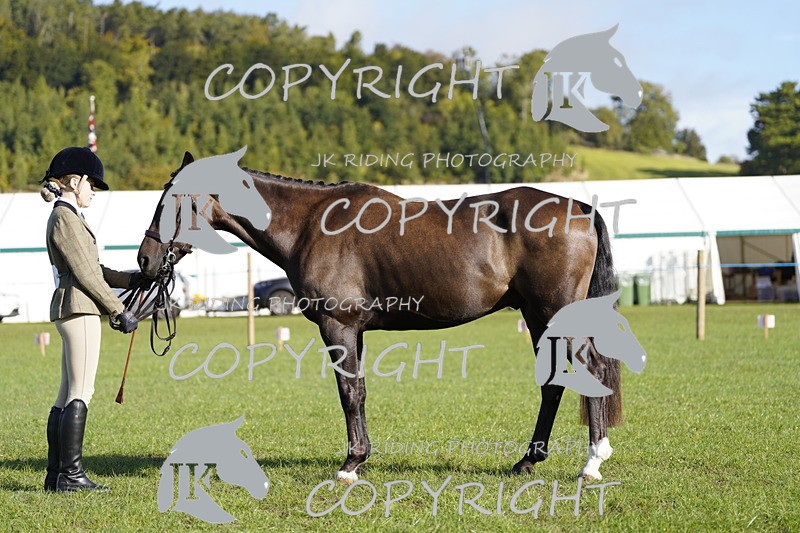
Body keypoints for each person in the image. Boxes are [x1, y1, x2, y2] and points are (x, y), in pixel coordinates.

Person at [40, 147, 146, 492]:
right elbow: (86, 274)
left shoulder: (68, 215)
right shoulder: (65, 218)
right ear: (74, 182)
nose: (94, 192)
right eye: (91, 185)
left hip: (75, 307)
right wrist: (118, 310)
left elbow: (95, 269)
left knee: (64, 394)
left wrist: (133, 280)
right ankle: (70, 476)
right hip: (80, 308)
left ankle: (57, 475)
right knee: (81, 391)